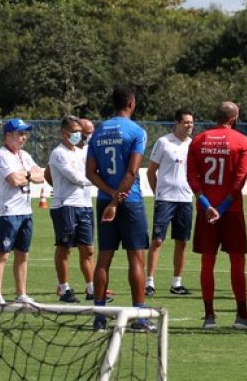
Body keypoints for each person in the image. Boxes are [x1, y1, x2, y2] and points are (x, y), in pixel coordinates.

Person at [187, 101, 247, 329]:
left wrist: (207, 204)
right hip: (232, 211)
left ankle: (209, 317)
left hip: (205, 211)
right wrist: (223, 206)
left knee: (206, 262)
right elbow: (241, 179)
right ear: (233, 119)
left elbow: (192, 177)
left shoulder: (198, 140)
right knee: (237, 262)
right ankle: (242, 316)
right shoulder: (241, 141)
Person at [86, 87, 154, 332]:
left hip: (105, 199)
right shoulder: (136, 131)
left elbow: (90, 172)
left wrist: (110, 196)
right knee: (136, 257)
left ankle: (100, 316)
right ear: (131, 103)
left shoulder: (98, 131)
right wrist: (118, 201)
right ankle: (139, 316)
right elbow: (132, 171)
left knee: (104, 257)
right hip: (129, 200)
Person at [0, 118, 45, 305]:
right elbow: (13, 179)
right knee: (3, 253)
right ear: (8, 135)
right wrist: (29, 175)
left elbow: (41, 176)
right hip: (8, 211)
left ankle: (21, 293)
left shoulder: (24, 155)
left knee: (23, 254)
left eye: (25, 134)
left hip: (25, 210)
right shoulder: (2, 155)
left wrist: (27, 175)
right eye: (20, 134)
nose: (23, 138)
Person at [46, 114, 97, 303]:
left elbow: (93, 169)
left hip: (84, 205)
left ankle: (91, 288)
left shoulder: (81, 152)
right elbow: (74, 177)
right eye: (75, 132)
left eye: (80, 132)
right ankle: (64, 288)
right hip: (65, 206)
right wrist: (98, 181)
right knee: (65, 248)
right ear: (64, 133)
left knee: (88, 249)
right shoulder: (58, 153)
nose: (79, 136)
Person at [146, 108, 195, 297]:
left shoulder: (193, 144)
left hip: (185, 199)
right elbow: (151, 171)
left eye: (191, 122)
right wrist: (158, 193)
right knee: (157, 240)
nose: (189, 126)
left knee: (182, 241)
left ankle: (177, 283)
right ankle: (149, 282)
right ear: (177, 122)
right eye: (186, 122)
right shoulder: (164, 142)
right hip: (165, 199)